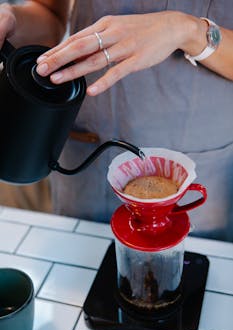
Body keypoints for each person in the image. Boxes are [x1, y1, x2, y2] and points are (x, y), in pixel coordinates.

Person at [0, 1, 232, 242]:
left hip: (199, 160)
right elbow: (49, 14)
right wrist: (13, 20)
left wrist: (188, 31)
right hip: (88, 157)